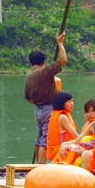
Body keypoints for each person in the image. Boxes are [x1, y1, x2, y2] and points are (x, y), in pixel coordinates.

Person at [24, 32, 66, 164]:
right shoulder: (44, 71)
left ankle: (38, 164)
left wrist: (38, 103)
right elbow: (63, 60)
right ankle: (41, 167)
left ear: (30, 62)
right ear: (43, 62)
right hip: (48, 109)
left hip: (38, 109)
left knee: (39, 138)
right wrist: (60, 43)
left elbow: (27, 97)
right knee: (45, 140)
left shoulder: (28, 76)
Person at [73, 98, 95, 171]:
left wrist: (85, 151)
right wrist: (64, 144)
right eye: (87, 112)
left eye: (91, 111)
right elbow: (77, 140)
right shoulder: (93, 126)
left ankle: (84, 180)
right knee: (72, 150)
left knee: (85, 154)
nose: (89, 114)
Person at [45, 91, 78, 162]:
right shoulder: (62, 117)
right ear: (61, 103)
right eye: (69, 102)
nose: (72, 104)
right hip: (61, 153)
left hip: (53, 153)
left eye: (72, 101)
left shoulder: (55, 114)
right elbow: (76, 137)